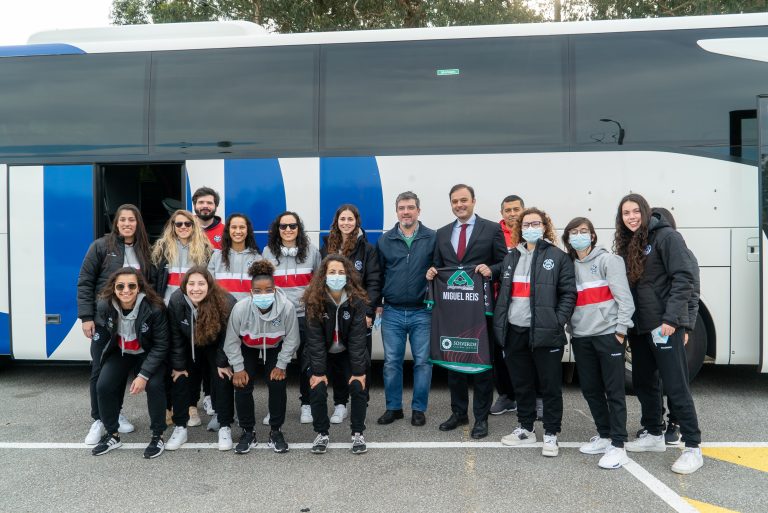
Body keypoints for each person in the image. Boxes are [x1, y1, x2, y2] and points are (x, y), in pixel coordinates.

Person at [615, 193, 703, 475]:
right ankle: (653, 433)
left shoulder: (667, 237)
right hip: (640, 328)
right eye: (625, 213)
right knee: (643, 382)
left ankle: (693, 447)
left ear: (645, 211)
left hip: (663, 326)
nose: (631, 217)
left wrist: (673, 319)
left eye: (635, 211)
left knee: (676, 386)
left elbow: (684, 278)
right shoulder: (630, 243)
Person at [492, 207, 575, 457]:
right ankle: (525, 429)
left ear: (544, 226)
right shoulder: (511, 257)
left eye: (535, 224)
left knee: (550, 386)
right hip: (514, 331)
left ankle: (551, 434)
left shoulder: (558, 257)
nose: (531, 228)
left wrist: (556, 321)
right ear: (519, 229)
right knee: (522, 384)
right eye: (526, 225)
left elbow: (568, 294)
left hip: (545, 333)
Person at [426, 184, 507, 439]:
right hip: (452, 310)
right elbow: (438, 266)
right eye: (455, 201)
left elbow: (505, 262)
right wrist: (432, 272)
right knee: (454, 362)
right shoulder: (442, 233)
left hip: (480, 309)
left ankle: (481, 418)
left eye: (464, 200)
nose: (459, 205)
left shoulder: (491, 229)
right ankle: (459, 412)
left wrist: (491, 270)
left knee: (481, 364)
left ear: (473, 201)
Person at [562, 217, 634, 469]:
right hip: (582, 337)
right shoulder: (568, 265)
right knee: (590, 389)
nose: (579, 235)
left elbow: (625, 300)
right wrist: (572, 330)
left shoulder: (609, 261)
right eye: (573, 232)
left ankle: (619, 445)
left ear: (593, 236)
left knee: (614, 391)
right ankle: (605, 436)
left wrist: (620, 332)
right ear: (568, 238)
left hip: (608, 336)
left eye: (584, 231)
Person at [78, 204, 151, 444]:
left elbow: (151, 284)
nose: (127, 224)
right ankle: (98, 419)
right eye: (123, 220)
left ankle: (115, 414)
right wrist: (87, 317)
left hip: (132, 322)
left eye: (132, 219)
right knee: (99, 370)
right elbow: (85, 281)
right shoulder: (101, 246)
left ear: (138, 223)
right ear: (116, 223)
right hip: (105, 321)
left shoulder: (145, 250)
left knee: (118, 372)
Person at [222, 260, 300, 454]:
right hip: (248, 345)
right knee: (242, 383)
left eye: (268, 290)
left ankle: (276, 431)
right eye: (257, 291)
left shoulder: (287, 308)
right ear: (250, 292)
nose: (263, 295)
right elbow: (231, 341)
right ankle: (248, 432)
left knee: (277, 383)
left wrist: (281, 365)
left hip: (274, 345)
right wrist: (238, 368)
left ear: (275, 290)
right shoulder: (240, 308)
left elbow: (292, 339)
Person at [90, 268, 169, 459]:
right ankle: (112, 434)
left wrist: (143, 375)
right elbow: (105, 334)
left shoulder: (155, 308)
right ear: (114, 288)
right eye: (120, 286)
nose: (126, 290)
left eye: (131, 286)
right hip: (122, 352)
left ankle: (158, 436)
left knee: (154, 385)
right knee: (103, 385)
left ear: (139, 287)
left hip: (148, 353)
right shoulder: (105, 305)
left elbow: (161, 345)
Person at [375, 191, 436, 427]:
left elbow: (441, 271)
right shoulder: (385, 240)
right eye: (402, 208)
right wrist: (377, 304)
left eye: (410, 207)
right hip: (392, 311)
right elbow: (378, 276)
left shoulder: (432, 238)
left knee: (423, 362)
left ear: (418, 210)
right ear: (397, 211)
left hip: (423, 312)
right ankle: (394, 408)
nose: (406, 212)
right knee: (392, 363)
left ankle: (418, 409)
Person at [151, 209, 213, 428]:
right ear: (173, 226)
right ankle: (168, 407)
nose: (183, 227)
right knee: (168, 361)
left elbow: (209, 282)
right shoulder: (161, 249)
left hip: (194, 313)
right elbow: (154, 282)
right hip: (167, 312)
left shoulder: (205, 249)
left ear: (194, 226)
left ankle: (191, 406)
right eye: (179, 224)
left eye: (188, 224)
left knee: (192, 362)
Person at [303, 255, 369, 454]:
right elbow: (314, 340)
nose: (337, 276)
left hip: (347, 352)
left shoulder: (357, 300)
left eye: (341, 272)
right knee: (317, 387)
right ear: (324, 275)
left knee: (358, 386)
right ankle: (321, 433)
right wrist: (318, 372)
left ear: (348, 275)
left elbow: (358, 339)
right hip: (322, 353)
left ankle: (358, 433)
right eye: (332, 272)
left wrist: (358, 372)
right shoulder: (314, 300)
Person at [321, 204, 381, 423]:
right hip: (333, 311)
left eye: (350, 219)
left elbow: (373, 283)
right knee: (337, 360)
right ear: (336, 222)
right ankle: (340, 404)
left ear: (357, 222)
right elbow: (320, 280)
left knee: (360, 360)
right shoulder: (327, 247)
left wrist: (368, 312)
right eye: (342, 219)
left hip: (358, 313)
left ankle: (360, 404)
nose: (346, 223)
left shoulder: (367, 250)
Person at [165, 267, 236, 451]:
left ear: (209, 285)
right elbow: (175, 337)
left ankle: (225, 425)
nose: (196, 289)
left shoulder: (226, 301)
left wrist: (222, 362)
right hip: (189, 343)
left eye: (201, 284)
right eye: (191, 284)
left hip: (216, 344)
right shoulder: (176, 300)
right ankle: (180, 427)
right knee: (180, 376)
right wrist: (179, 365)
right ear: (185, 285)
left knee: (222, 376)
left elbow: (228, 336)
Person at [262, 211, 321, 425]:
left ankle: (306, 404)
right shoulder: (268, 252)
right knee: (277, 363)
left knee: (307, 363)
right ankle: (275, 408)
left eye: (292, 226)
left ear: (299, 229)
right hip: (277, 316)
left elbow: (319, 283)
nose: (288, 230)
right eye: (283, 226)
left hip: (305, 316)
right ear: (277, 230)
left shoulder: (312, 252)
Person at [649, 207, 701, 446]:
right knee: (654, 377)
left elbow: (692, 293)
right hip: (653, 325)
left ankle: (676, 423)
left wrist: (686, 327)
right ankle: (655, 424)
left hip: (673, 324)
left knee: (674, 379)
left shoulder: (681, 250)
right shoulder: (650, 249)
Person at [490, 194, 525, 417]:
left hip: (525, 301)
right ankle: (506, 396)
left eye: (516, 209)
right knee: (498, 350)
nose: (512, 214)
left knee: (526, 350)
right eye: (508, 210)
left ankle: (534, 397)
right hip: (498, 301)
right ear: (502, 213)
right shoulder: (494, 233)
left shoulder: (532, 231)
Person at [208, 213, 262, 302]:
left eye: (242, 227)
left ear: (247, 230)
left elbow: (260, 289)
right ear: (228, 230)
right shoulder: (216, 256)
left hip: (248, 308)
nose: (238, 231)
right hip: (222, 308)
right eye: (234, 227)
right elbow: (209, 287)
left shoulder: (257, 258)